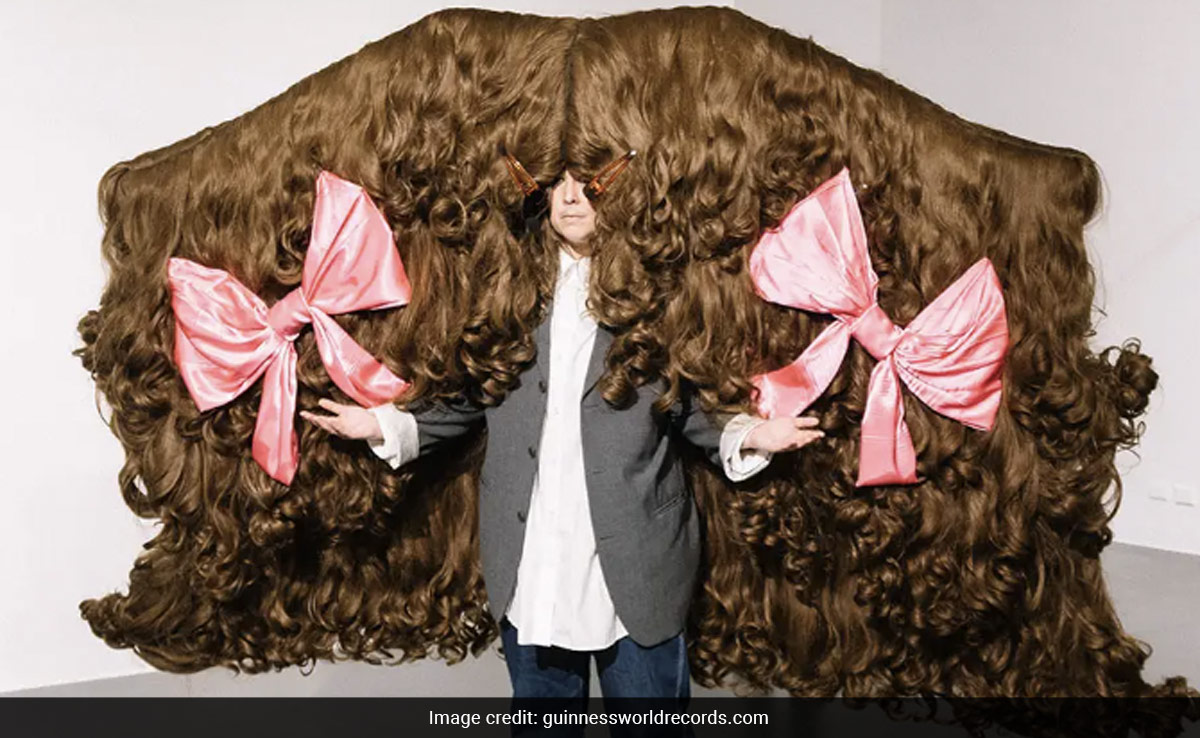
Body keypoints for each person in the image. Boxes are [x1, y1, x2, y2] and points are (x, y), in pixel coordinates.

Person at [300, 161, 823, 713]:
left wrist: (754, 433)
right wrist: (381, 423)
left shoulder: (658, 297)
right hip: (534, 559)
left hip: (637, 562)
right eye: (558, 184)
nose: (571, 198)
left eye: (589, 183)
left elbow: (689, 404)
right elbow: (466, 397)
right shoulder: (509, 295)